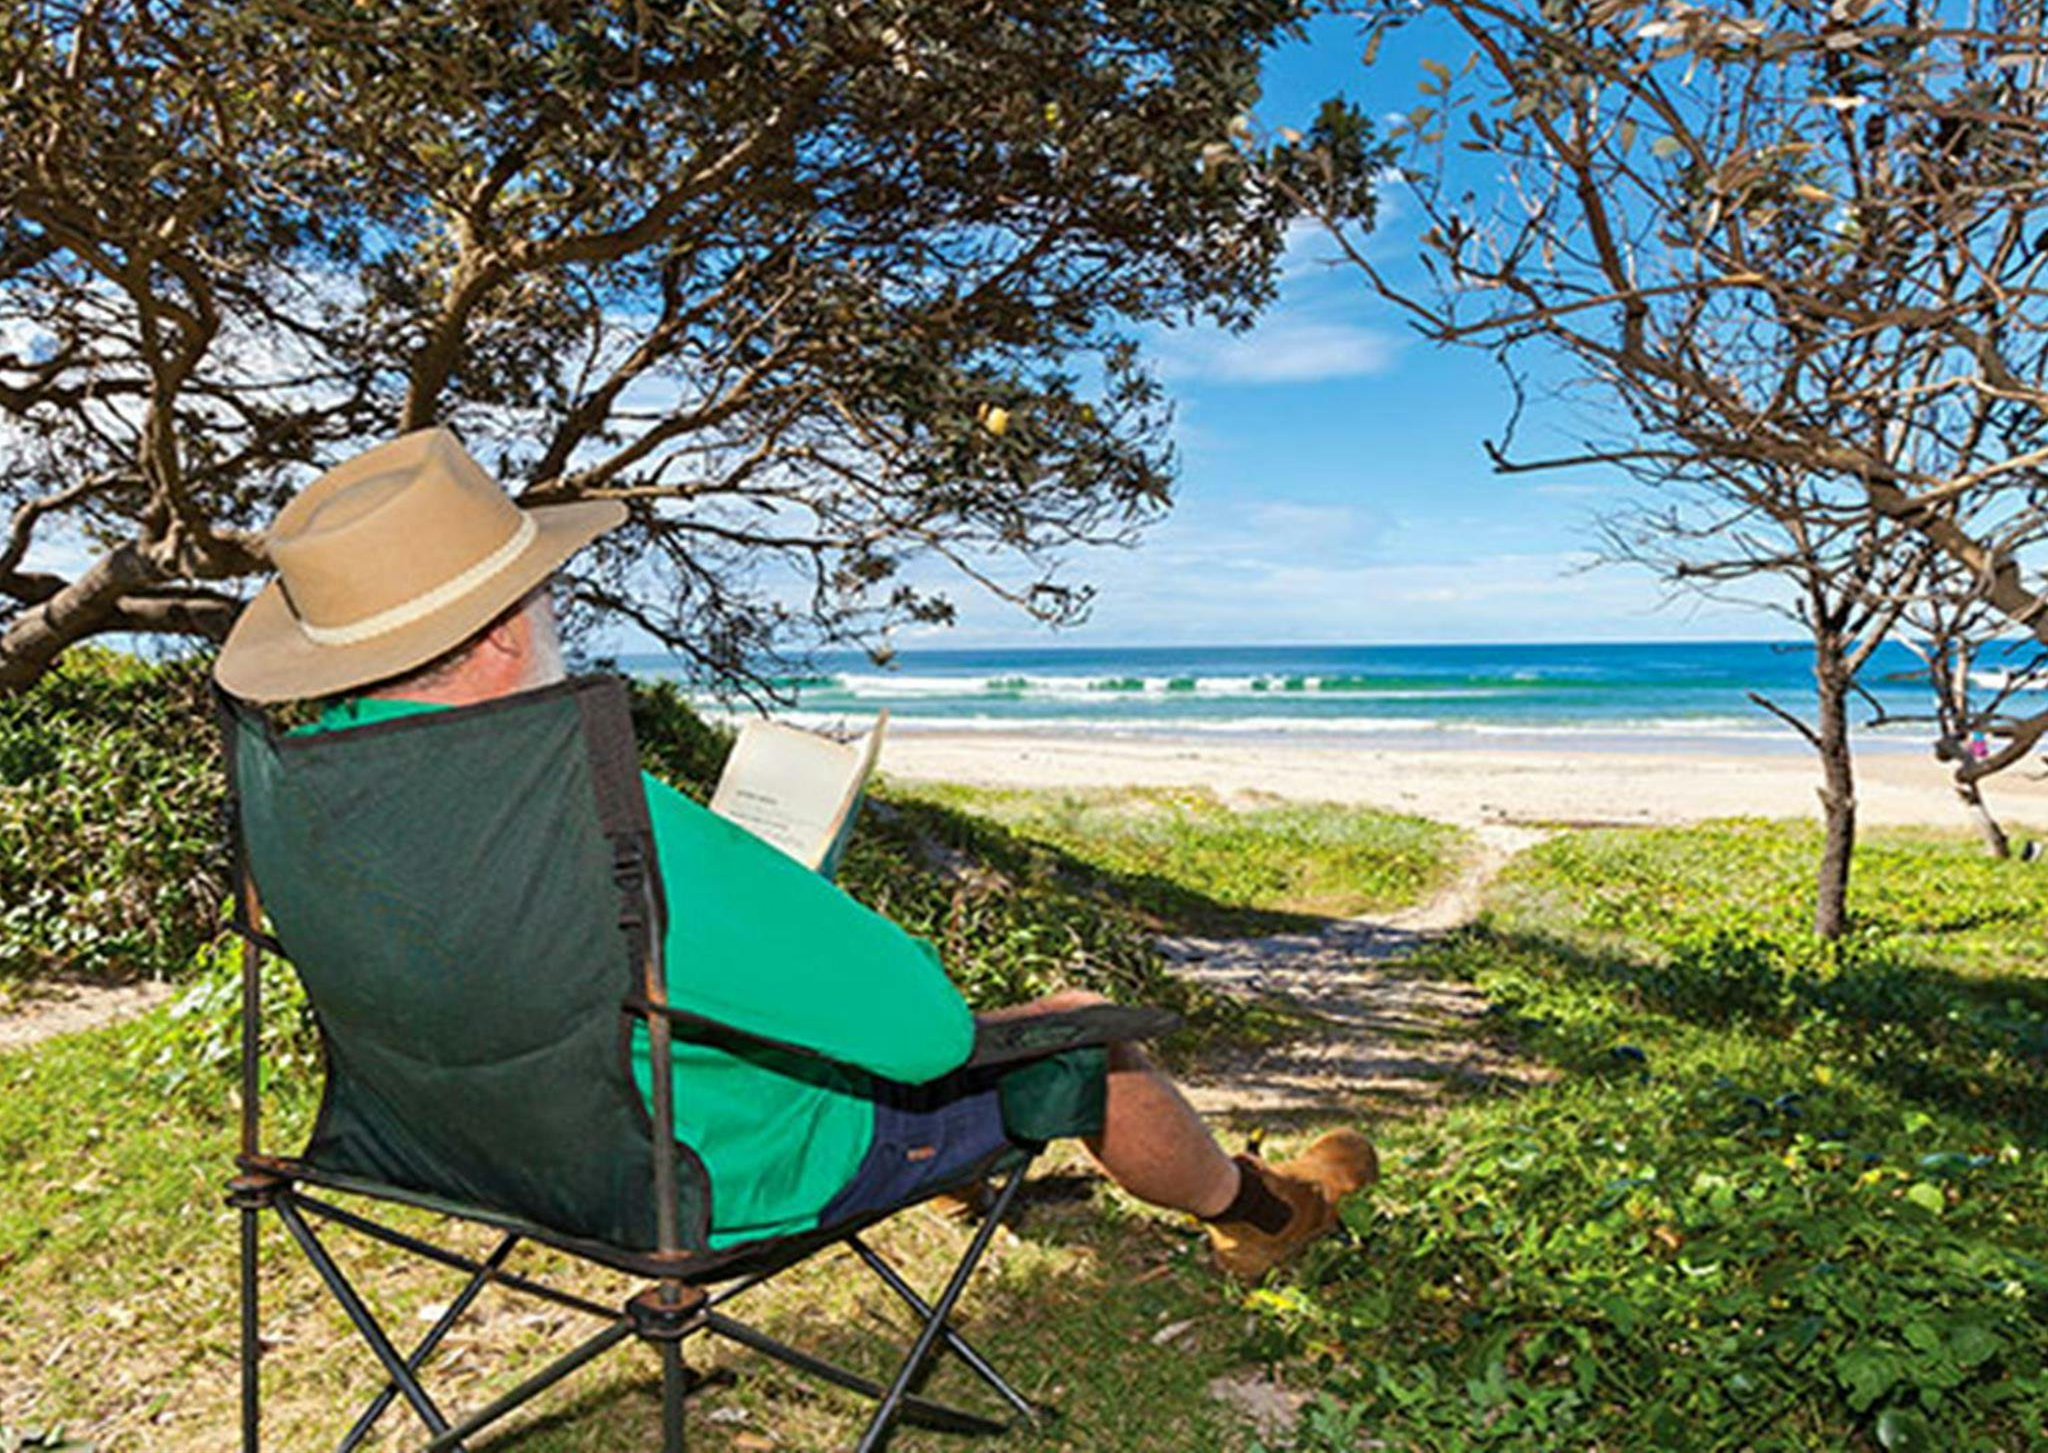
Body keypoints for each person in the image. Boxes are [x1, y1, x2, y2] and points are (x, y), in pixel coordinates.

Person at [213, 429, 1376, 1276]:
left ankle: (975, 1185)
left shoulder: (306, 797)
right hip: (696, 1183)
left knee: (817, 1002)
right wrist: (765, 888)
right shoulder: (590, 812)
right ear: (510, 628)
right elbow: (921, 1037)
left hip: (446, 1152)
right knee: (1082, 1036)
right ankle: (1262, 1214)